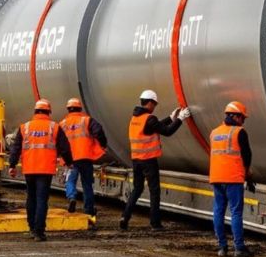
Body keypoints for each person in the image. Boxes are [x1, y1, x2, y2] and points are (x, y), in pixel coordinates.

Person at [119, 89, 191, 231]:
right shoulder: (149, 118)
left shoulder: (135, 118)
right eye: (155, 104)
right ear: (150, 103)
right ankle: (155, 223)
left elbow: (153, 127)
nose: (155, 107)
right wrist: (180, 119)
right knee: (154, 191)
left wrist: (171, 118)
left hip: (136, 160)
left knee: (137, 189)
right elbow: (167, 131)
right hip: (148, 160)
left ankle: (125, 217)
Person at [8, 98, 73, 241]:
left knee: (31, 198)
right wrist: (69, 163)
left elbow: (15, 148)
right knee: (42, 199)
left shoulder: (25, 127)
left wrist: (12, 165)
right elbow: (65, 148)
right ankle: (39, 231)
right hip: (45, 169)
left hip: (29, 169)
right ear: (48, 112)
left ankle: (31, 228)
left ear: (35, 111)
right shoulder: (54, 127)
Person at [209, 100, 254, 257]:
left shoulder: (214, 132)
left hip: (216, 178)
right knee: (236, 212)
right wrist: (248, 175)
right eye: (243, 118)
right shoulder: (239, 132)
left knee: (218, 212)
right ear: (236, 116)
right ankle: (239, 248)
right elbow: (247, 156)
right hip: (233, 178)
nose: (243, 121)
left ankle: (222, 247)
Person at [59, 97, 107, 221]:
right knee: (87, 185)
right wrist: (103, 144)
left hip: (71, 159)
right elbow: (99, 131)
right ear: (80, 108)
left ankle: (72, 197)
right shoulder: (87, 120)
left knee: (70, 181)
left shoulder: (62, 124)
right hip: (85, 157)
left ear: (68, 109)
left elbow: (58, 142)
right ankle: (89, 210)